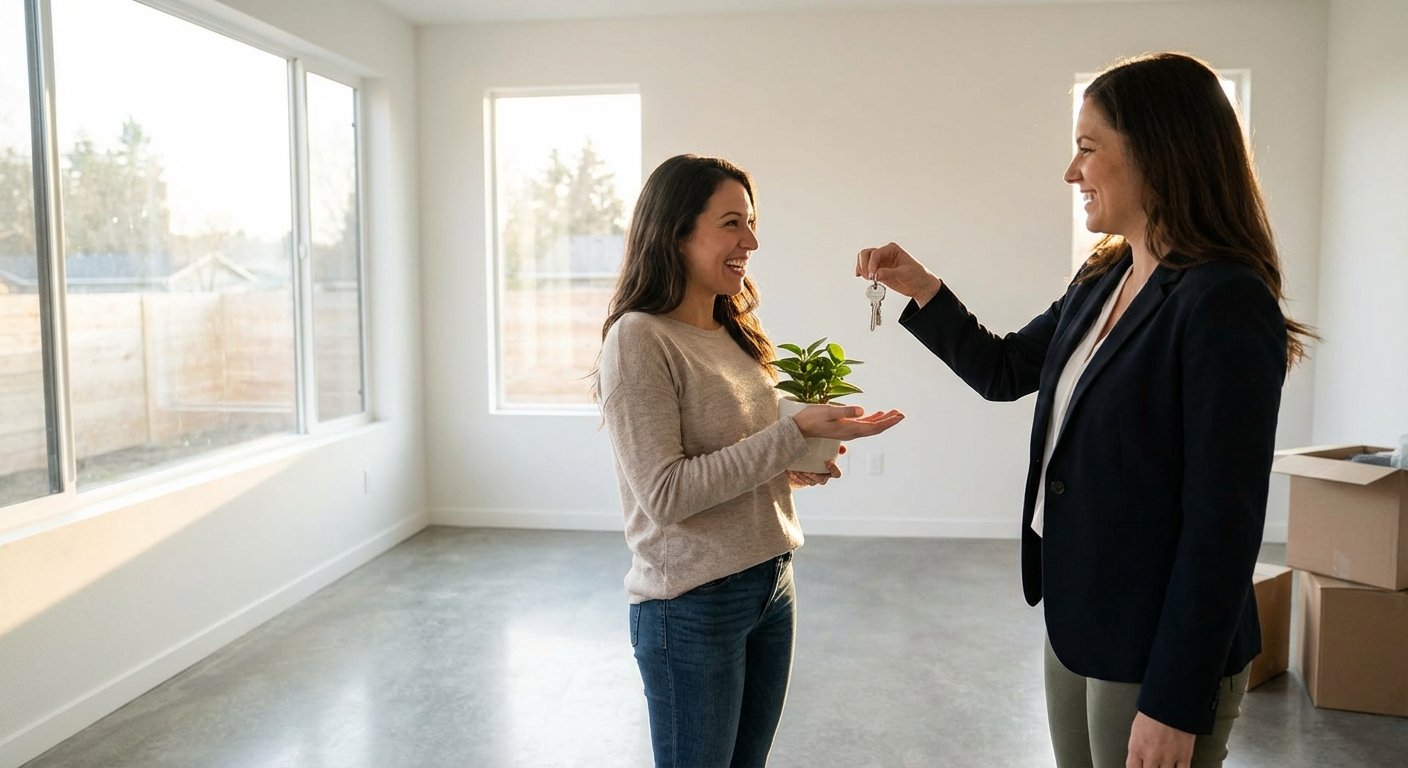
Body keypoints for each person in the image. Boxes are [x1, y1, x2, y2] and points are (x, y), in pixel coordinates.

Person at [856, 52, 1314, 768]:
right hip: (1081, 613)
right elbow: (1006, 369)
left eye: (1088, 148)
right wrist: (923, 290)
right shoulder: (1106, 272)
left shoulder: (1224, 302)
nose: (1072, 172)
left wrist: (1173, 698)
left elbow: (1222, 526)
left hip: (1158, 641)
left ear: (1160, 152)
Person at [595, 153, 904, 768]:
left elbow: (732, 454)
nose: (751, 241)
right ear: (676, 231)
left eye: (752, 223)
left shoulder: (732, 330)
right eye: (732, 223)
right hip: (691, 601)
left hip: (771, 579)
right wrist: (791, 439)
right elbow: (666, 494)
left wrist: (795, 466)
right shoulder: (638, 339)